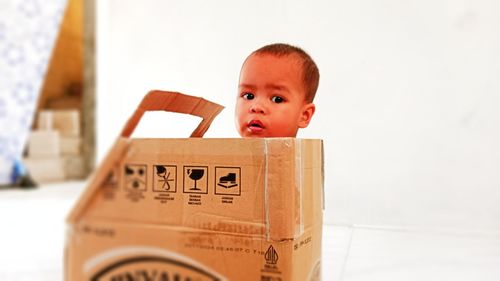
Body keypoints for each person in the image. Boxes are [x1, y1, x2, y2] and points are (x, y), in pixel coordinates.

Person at [235, 43, 320, 137]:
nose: (257, 107)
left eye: (277, 99)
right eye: (248, 96)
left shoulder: (308, 151)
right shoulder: (224, 150)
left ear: (304, 115)